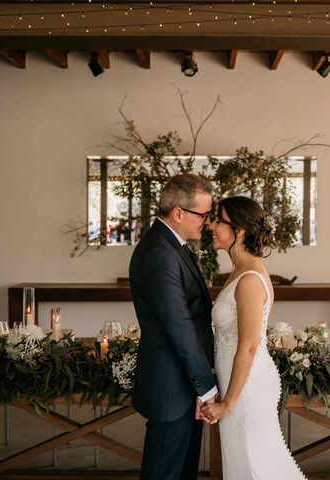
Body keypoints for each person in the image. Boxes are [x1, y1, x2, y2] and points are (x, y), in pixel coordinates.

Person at [201, 196, 306, 480]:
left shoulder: (249, 279)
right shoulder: (238, 272)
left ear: (240, 230)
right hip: (237, 384)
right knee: (244, 466)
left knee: (254, 466)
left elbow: (248, 346)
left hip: (246, 390)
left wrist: (228, 403)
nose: (210, 225)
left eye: (218, 220)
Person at [129, 174, 218, 480]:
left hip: (183, 385)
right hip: (172, 387)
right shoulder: (159, 252)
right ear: (179, 213)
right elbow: (178, 325)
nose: (206, 222)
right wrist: (206, 386)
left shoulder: (172, 245)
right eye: (203, 214)